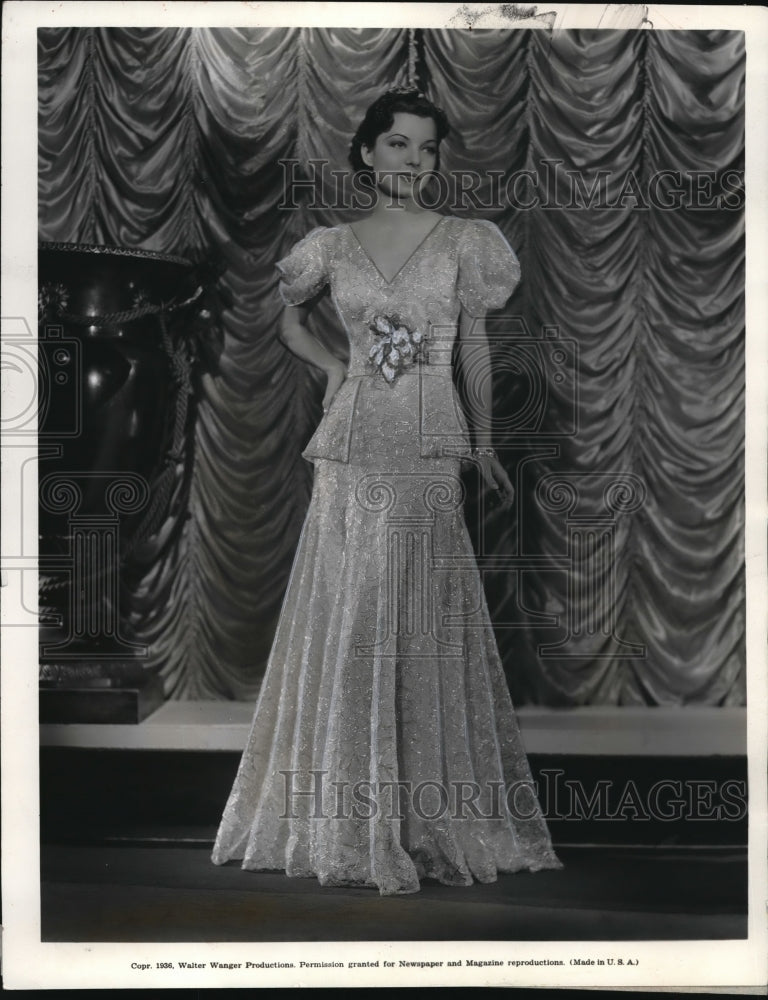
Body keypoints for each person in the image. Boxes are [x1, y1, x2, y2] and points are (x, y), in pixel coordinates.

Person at [211, 88, 562, 895]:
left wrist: (484, 440)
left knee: (418, 608)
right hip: (356, 442)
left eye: (428, 148)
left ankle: (424, 815)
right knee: (356, 603)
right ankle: (346, 813)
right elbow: (289, 320)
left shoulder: (467, 242)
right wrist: (336, 368)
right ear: (367, 153)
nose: (414, 160)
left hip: (431, 439)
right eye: (399, 145)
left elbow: (474, 342)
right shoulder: (329, 246)